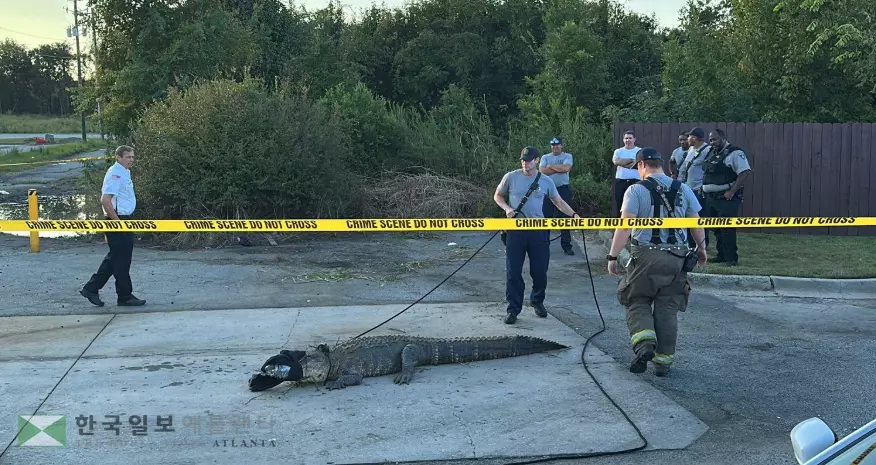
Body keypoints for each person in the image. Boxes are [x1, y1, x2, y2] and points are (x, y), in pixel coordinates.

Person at [606, 147, 707, 377]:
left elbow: (624, 227)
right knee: (668, 307)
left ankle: (644, 345)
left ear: (641, 165)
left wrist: (612, 256)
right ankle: (663, 363)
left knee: (635, 298)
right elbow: (695, 223)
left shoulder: (635, 190)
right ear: (660, 164)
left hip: (646, 257)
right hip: (677, 258)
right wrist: (701, 250)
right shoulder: (683, 188)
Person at [495, 146, 580, 325]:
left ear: (537, 160)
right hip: (515, 231)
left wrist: (574, 215)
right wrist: (507, 209)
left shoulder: (546, 181)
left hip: (539, 231)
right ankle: (513, 309)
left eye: (529, 160)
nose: (525, 164)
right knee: (513, 272)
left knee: (540, 271)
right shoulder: (511, 177)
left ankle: (537, 300)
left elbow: (558, 202)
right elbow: (498, 196)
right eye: (523, 160)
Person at [80, 145, 146, 307]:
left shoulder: (124, 172)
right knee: (121, 260)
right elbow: (105, 200)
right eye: (127, 157)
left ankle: (91, 288)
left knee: (115, 258)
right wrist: (117, 222)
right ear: (118, 157)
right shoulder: (115, 173)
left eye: (132, 157)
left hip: (123, 219)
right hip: (117, 220)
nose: (131, 160)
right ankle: (124, 296)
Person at [702, 129, 752, 266]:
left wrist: (732, 191)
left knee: (727, 229)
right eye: (711, 140)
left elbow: (745, 172)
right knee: (717, 229)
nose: (713, 143)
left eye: (715, 139)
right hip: (711, 198)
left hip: (726, 198)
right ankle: (721, 255)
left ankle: (731, 258)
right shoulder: (712, 153)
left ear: (723, 138)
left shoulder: (735, 153)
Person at [540, 136, 575, 255]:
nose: (555, 147)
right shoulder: (545, 157)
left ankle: (567, 246)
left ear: (561, 145)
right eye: (553, 145)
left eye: (557, 145)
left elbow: (566, 168)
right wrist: (558, 169)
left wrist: (551, 167)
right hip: (547, 191)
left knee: (564, 218)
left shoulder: (567, 156)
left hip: (563, 190)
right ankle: (544, 245)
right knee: (546, 218)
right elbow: (542, 171)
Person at [678, 127, 711, 249]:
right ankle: (690, 244)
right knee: (687, 217)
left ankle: (702, 244)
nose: (687, 139)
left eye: (689, 137)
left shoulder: (708, 150)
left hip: (698, 189)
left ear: (695, 138)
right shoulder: (691, 149)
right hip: (687, 188)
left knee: (699, 218)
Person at [611, 130, 641, 217]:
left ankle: (635, 228)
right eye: (626, 138)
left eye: (630, 138)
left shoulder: (639, 151)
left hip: (636, 181)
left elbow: (639, 165)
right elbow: (616, 162)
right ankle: (620, 227)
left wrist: (623, 161)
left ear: (634, 139)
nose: (628, 140)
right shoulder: (618, 151)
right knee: (620, 203)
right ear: (623, 140)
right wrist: (632, 161)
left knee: (635, 203)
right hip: (621, 181)